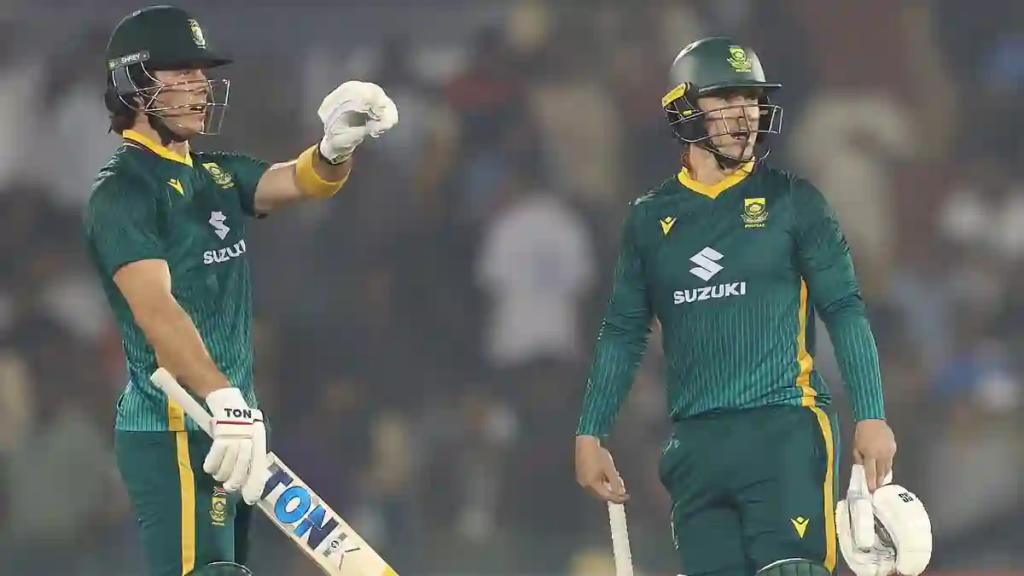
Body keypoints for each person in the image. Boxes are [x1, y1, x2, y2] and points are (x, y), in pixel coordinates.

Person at [82, 6, 398, 576]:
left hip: (235, 424)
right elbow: (156, 310)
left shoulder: (215, 174)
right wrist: (223, 398)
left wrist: (334, 150)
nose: (200, 85)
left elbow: (297, 181)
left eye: (202, 73)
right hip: (176, 425)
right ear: (133, 82)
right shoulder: (123, 191)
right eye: (181, 72)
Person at [573, 37, 897, 576]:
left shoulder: (795, 202)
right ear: (685, 108)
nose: (744, 114)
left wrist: (872, 414)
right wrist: (591, 432)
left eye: (752, 99)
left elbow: (844, 308)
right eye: (725, 99)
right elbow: (624, 331)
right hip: (694, 447)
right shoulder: (648, 220)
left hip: (785, 430)